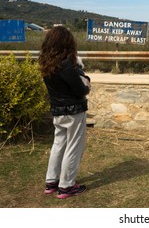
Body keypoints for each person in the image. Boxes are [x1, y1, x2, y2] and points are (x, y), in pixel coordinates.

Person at [38, 26, 90, 199]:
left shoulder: (46, 62)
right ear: (67, 43)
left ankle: (51, 181)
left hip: (58, 111)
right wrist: (86, 79)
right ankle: (67, 186)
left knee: (58, 144)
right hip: (74, 112)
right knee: (73, 148)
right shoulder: (67, 64)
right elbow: (81, 90)